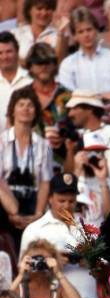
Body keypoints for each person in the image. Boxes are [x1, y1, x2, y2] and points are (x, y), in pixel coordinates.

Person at [1, 86, 53, 246]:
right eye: (21, 104)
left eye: (30, 105)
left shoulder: (43, 145)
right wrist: (12, 212)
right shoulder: (1, 141)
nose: (25, 109)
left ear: (35, 112)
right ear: (13, 110)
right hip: (4, 205)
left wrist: (38, 214)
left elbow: (45, 182)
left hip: (33, 204)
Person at [26, 42, 72, 171]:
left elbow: (76, 131)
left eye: (48, 62)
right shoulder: (22, 95)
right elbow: (11, 130)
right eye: (39, 63)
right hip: (28, 164)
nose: (44, 67)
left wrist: (63, 137)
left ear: (55, 65)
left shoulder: (67, 96)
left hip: (61, 164)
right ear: (30, 66)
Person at [58, 7, 110, 95]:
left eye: (89, 29)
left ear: (96, 30)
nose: (86, 35)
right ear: (74, 36)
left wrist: (97, 97)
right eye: (81, 32)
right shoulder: (68, 64)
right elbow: (68, 96)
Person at [0, 31, 32, 134]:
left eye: (9, 51)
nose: (5, 57)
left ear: (17, 52)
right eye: (0, 53)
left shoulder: (31, 80)